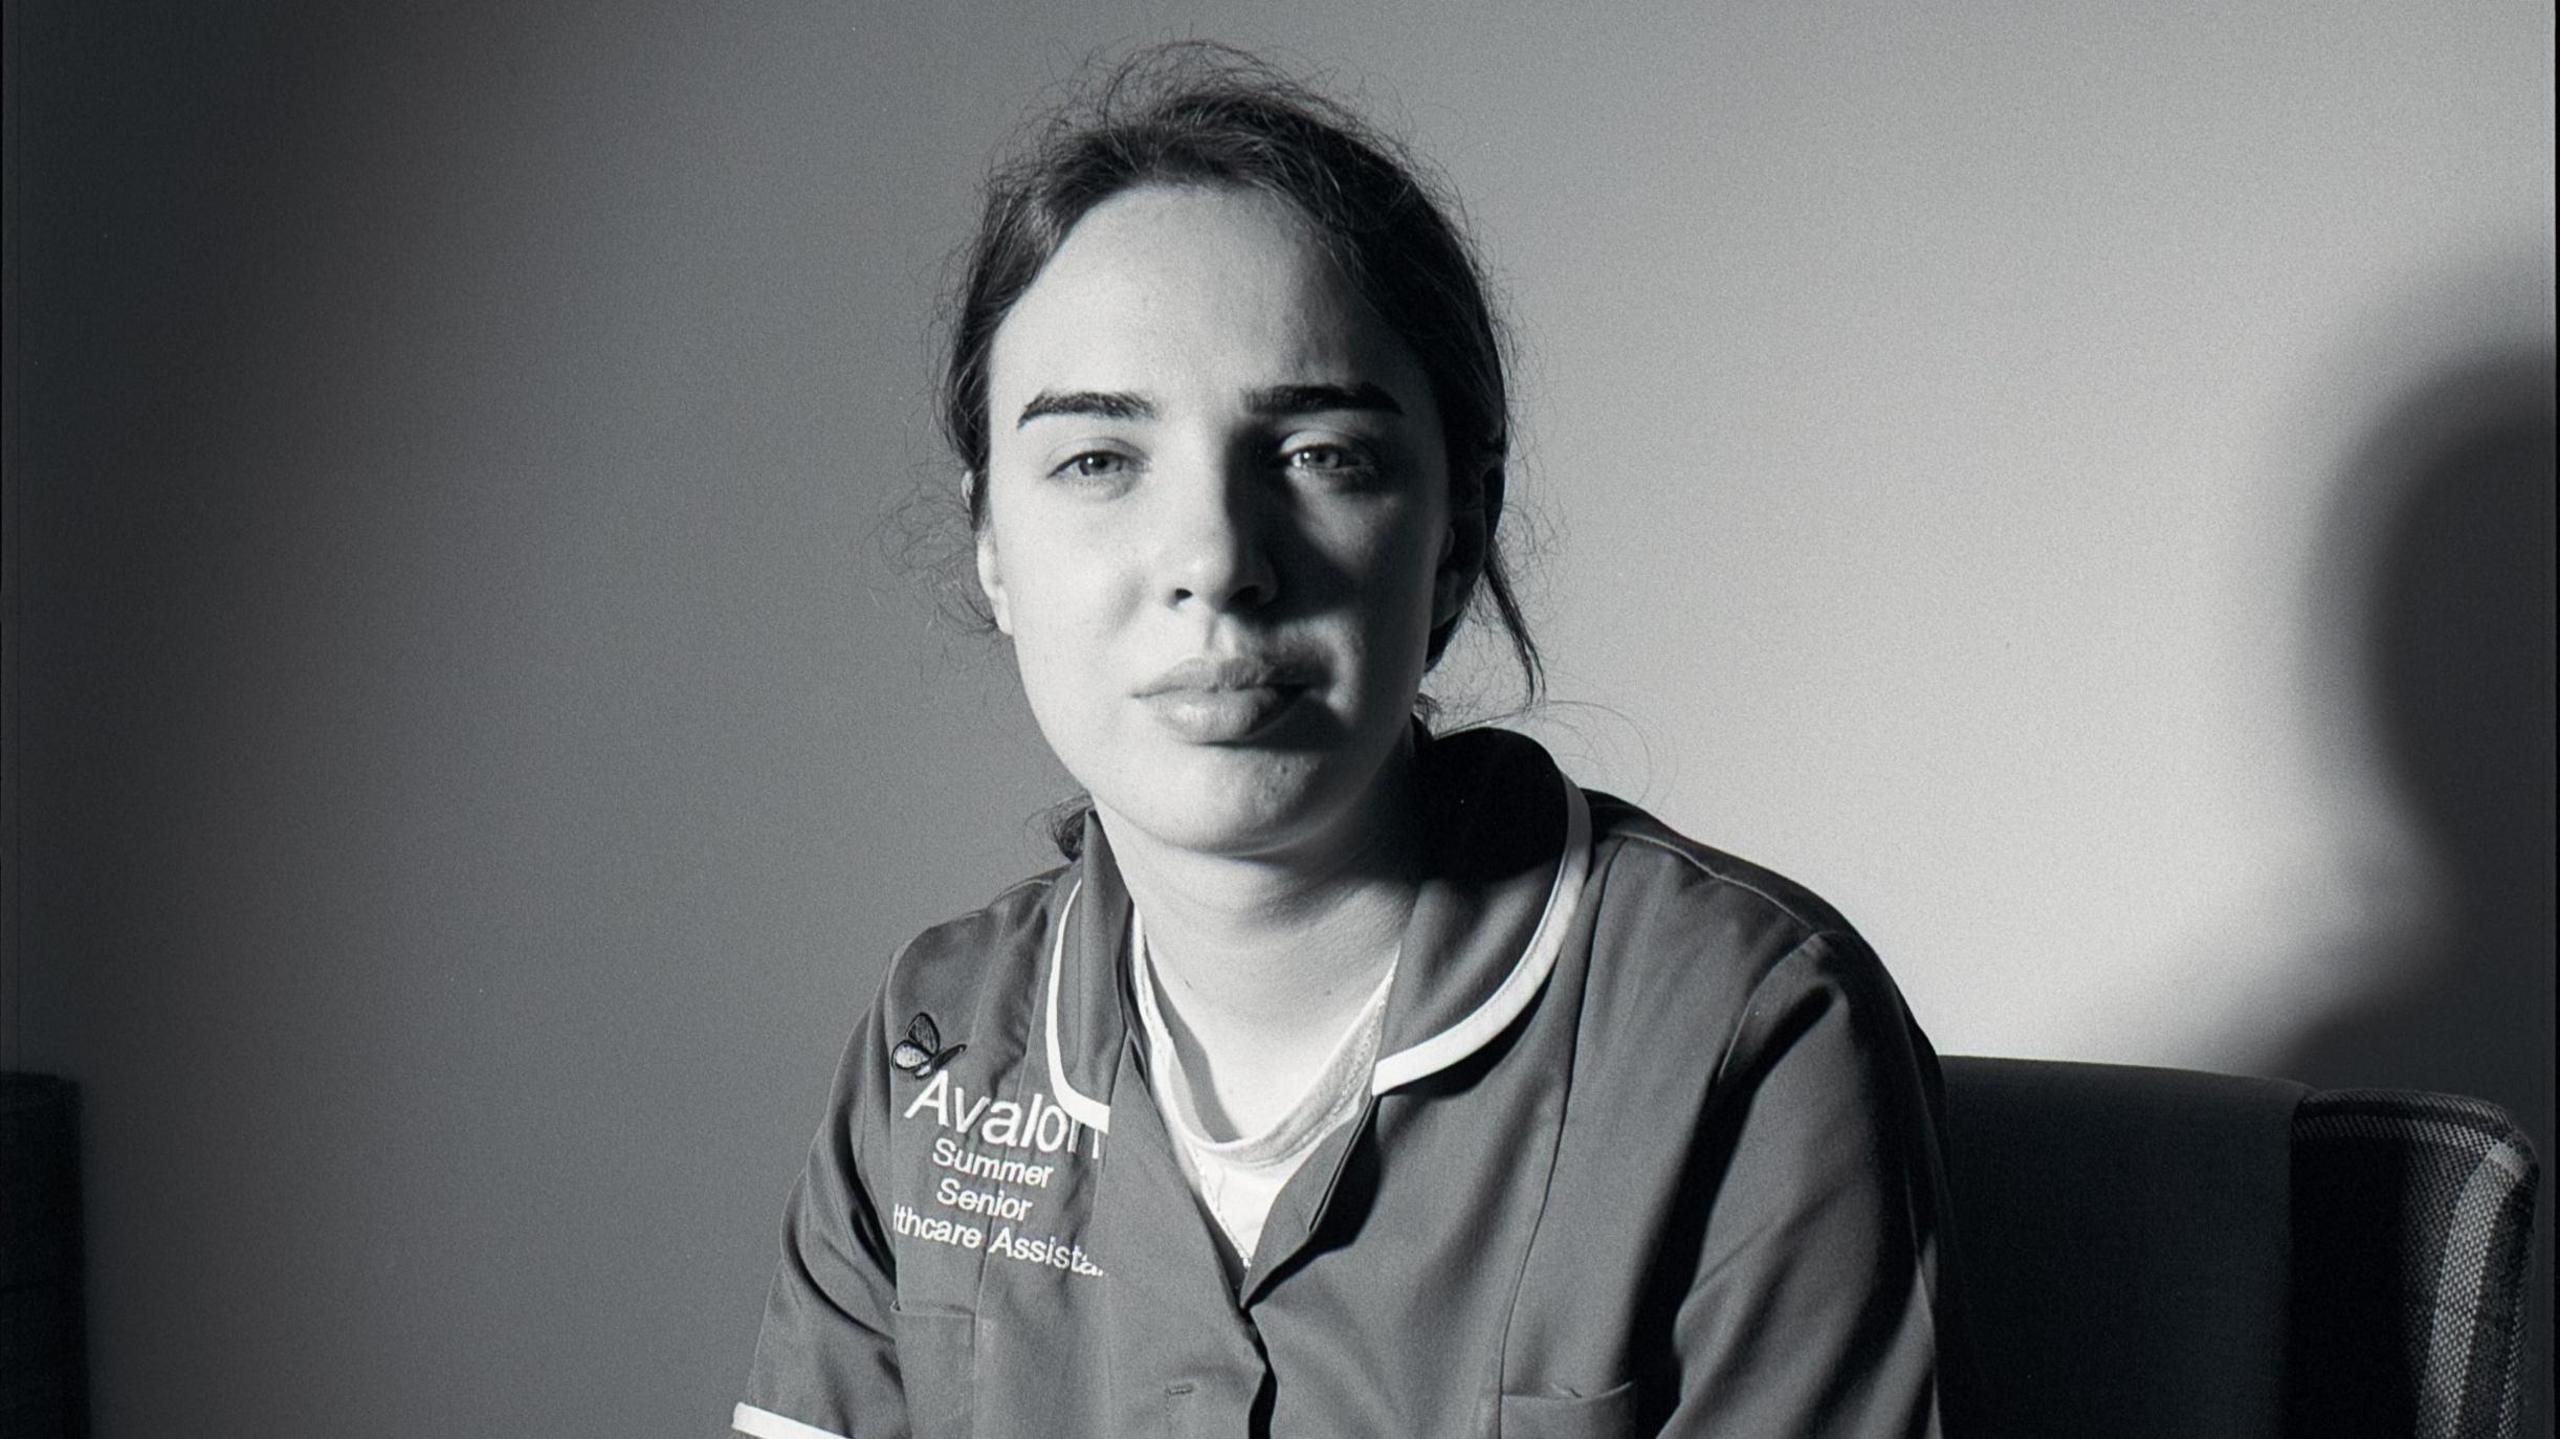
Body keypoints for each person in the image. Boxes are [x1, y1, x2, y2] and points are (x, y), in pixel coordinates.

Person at [737, 46, 1968, 1439]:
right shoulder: (938, 1041)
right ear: (992, 548)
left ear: (1457, 538)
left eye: (1323, 454)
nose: (1215, 557)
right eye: (1097, 460)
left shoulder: (1752, 1030)